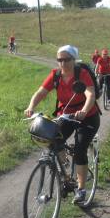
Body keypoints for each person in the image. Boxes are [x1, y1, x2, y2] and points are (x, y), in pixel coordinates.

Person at [24, 45, 100, 204]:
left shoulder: (82, 74)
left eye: (67, 59)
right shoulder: (56, 75)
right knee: (53, 141)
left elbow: (90, 94)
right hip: (65, 115)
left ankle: (81, 189)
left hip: (87, 117)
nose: (63, 63)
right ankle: (65, 173)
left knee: (79, 150)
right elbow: (41, 92)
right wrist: (31, 107)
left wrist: (84, 110)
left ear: (74, 60)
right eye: (60, 60)